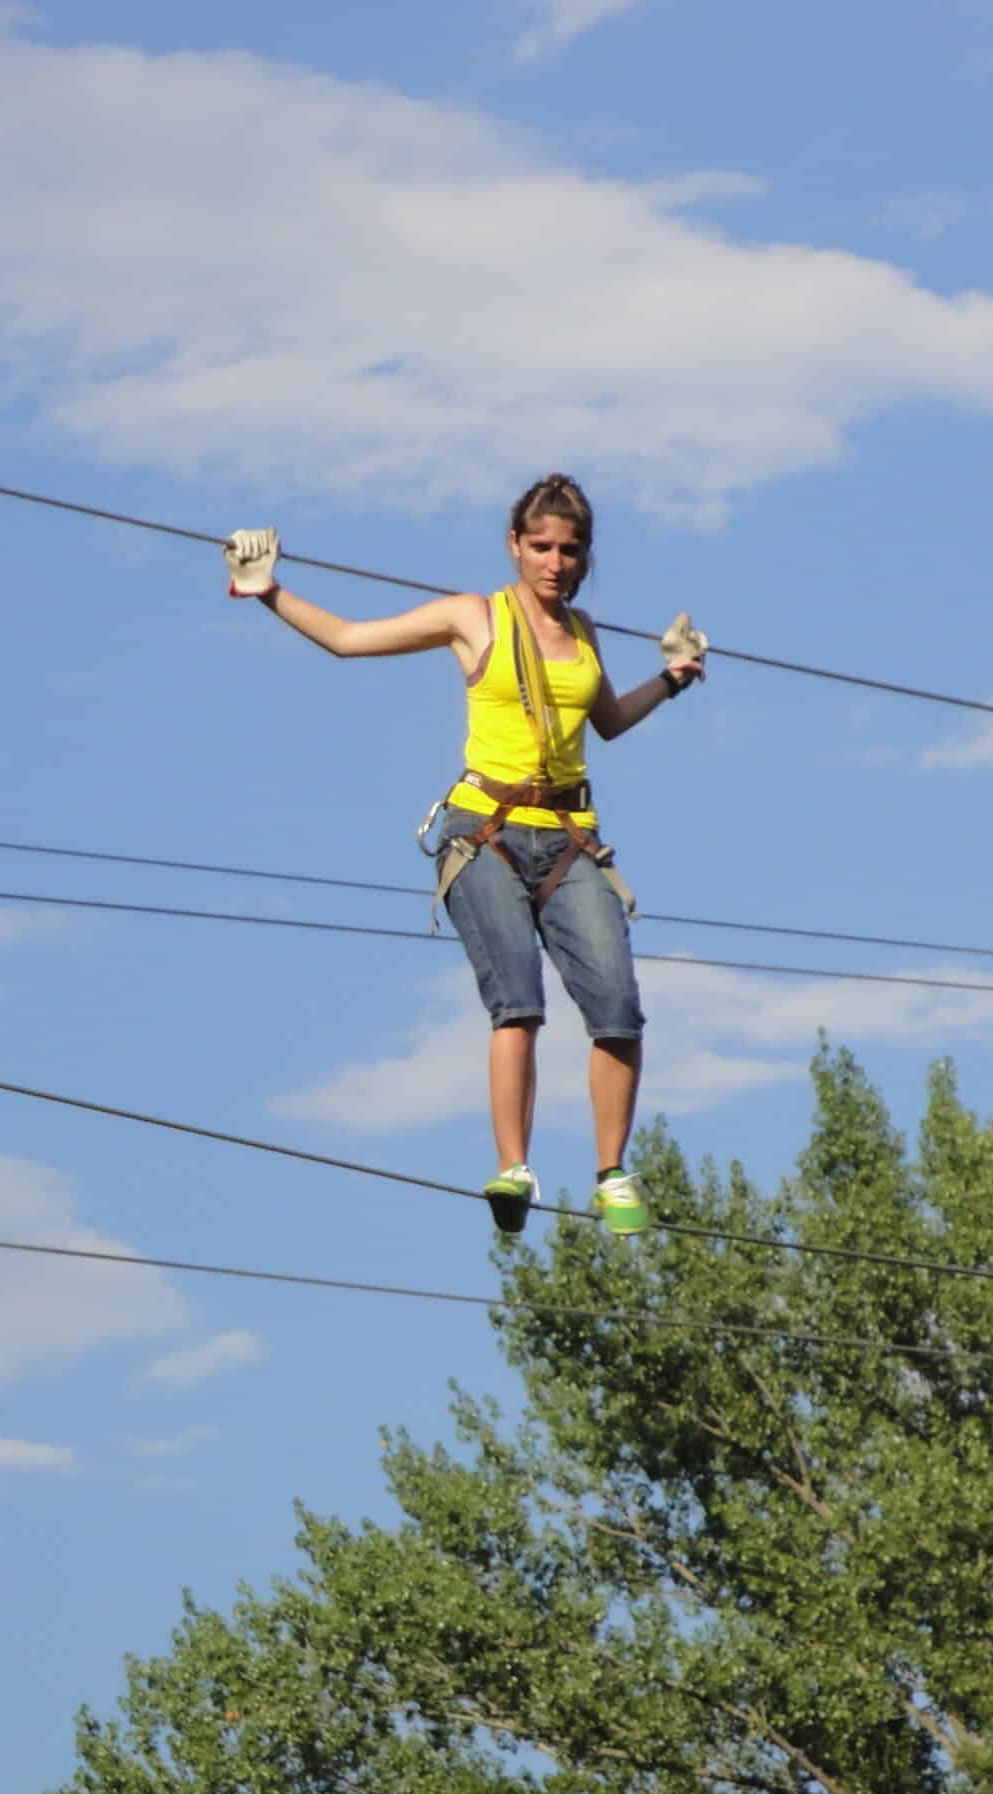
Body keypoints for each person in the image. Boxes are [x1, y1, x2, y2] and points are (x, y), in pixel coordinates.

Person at [223, 474, 707, 1235]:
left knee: (617, 1006)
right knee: (519, 1002)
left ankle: (612, 1173)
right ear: (514, 546)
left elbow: (608, 720)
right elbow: (352, 640)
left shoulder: (583, 632)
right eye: (540, 547)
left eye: (569, 550)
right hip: (485, 830)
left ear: (585, 558)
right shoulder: (472, 616)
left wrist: (673, 681)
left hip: (570, 834)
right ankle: (513, 1168)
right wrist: (267, 591)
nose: (554, 562)